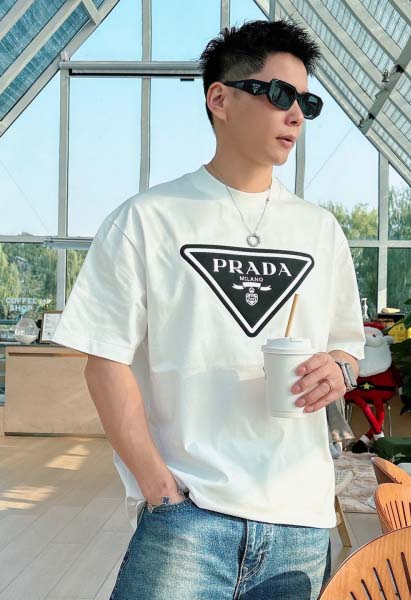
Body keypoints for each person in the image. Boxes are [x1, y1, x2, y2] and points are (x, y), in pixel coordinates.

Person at [52, 18, 365, 600]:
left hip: (301, 520)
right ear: (219, 99)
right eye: (279, 94)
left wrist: (339, 369)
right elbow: (105, 362)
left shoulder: (321, 231)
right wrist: (161, 492)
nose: (295, 115)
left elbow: (348, 346)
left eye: (306, 102)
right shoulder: (148, 219)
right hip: (188, 518)